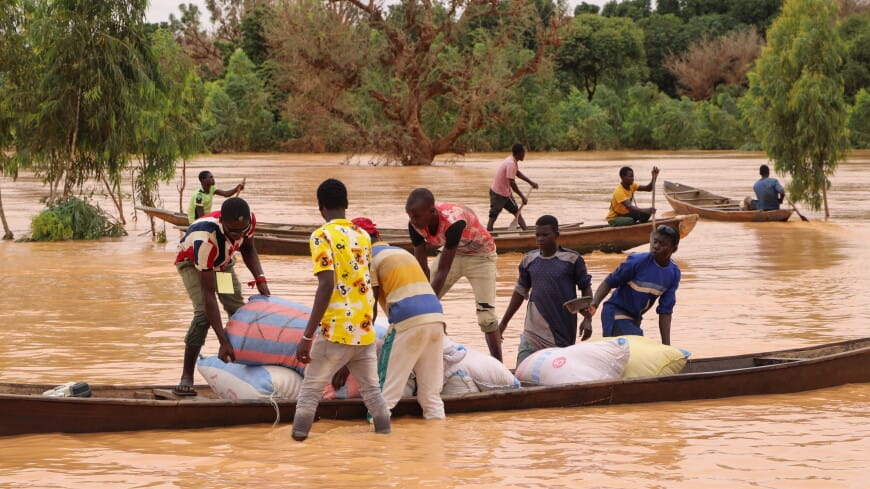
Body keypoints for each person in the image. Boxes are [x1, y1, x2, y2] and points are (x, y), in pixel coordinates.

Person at [291, 179, 391, 442]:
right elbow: (366, 283)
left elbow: (326, 284)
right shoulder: (363, 236)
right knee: (373, 394)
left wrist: (307, 335)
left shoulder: (321, 236)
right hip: (364, 329)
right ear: (346, 203)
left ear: (320, 207)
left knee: (310, 392)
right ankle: (386, 442)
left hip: (334, 330)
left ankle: (296, 448)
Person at [173, 197, 271, 396]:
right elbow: (208, 295)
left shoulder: (248, 222)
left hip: (222, 265)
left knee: (236, 309)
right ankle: (187, 375)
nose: (239, 235)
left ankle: (242, 364)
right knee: (203, 314)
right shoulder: (205, 239)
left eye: (243, 230)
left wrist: (260, 278)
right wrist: (222, 340)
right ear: (222, 223)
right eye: (233, 232)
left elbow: (248, 248)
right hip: (193, 264)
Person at [351, 217, 446, 420]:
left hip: (407, 322)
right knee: (431, 396)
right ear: (378, 235)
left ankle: (373, 436)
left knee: (384, 394)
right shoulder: (401, 252)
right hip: (436, 318)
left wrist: (356, 346)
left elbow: (370, 306)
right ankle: (437, 435)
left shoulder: (368, 259)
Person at [405, 188, 502, 361]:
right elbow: (422, 268)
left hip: (482, 257)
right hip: (455, 253)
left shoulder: (453, 222)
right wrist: (424, 301)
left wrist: (428, 301)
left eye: (417, 216)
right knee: (422, 303)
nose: (413, 221)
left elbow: (443, 271)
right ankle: (441, 353)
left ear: (432, 212)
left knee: (486, 317)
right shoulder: (414, 226)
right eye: (410, 216)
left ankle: (499, 365)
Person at [498, 215, 594, 367]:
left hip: (561, 330)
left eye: (545, 235)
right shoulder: (529, 260)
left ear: (556, 235)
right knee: (523, 368)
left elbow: (586, 289)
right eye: (537, 235)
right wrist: (503, 323)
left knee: (557, 373)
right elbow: (520, 292)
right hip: (533, 330)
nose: (540, 239)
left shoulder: (572, 260)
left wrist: (588, 319)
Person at [587, 224, 681, 345]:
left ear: (673, 249)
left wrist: (666, 345)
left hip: (635, 318)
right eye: (655, 241)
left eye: (662, 244)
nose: (656, 246)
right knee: (637, 346)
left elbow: (665, 312)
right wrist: (594, 304)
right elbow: (609, 282)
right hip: (616, 312)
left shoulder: (673, 273)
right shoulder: (637, 262)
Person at [487, 143, 539, 231]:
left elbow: (517, 173)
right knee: (493, 216)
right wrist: (522, 196)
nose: (524, 154)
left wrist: (530, 182)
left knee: (517, 213)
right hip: (497, 194)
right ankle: (489, 234)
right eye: (524, 152)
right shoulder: (510, 163)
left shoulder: (513, 161)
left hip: (506, 193)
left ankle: (526, 232)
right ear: (519, 153)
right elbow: (512, 183)